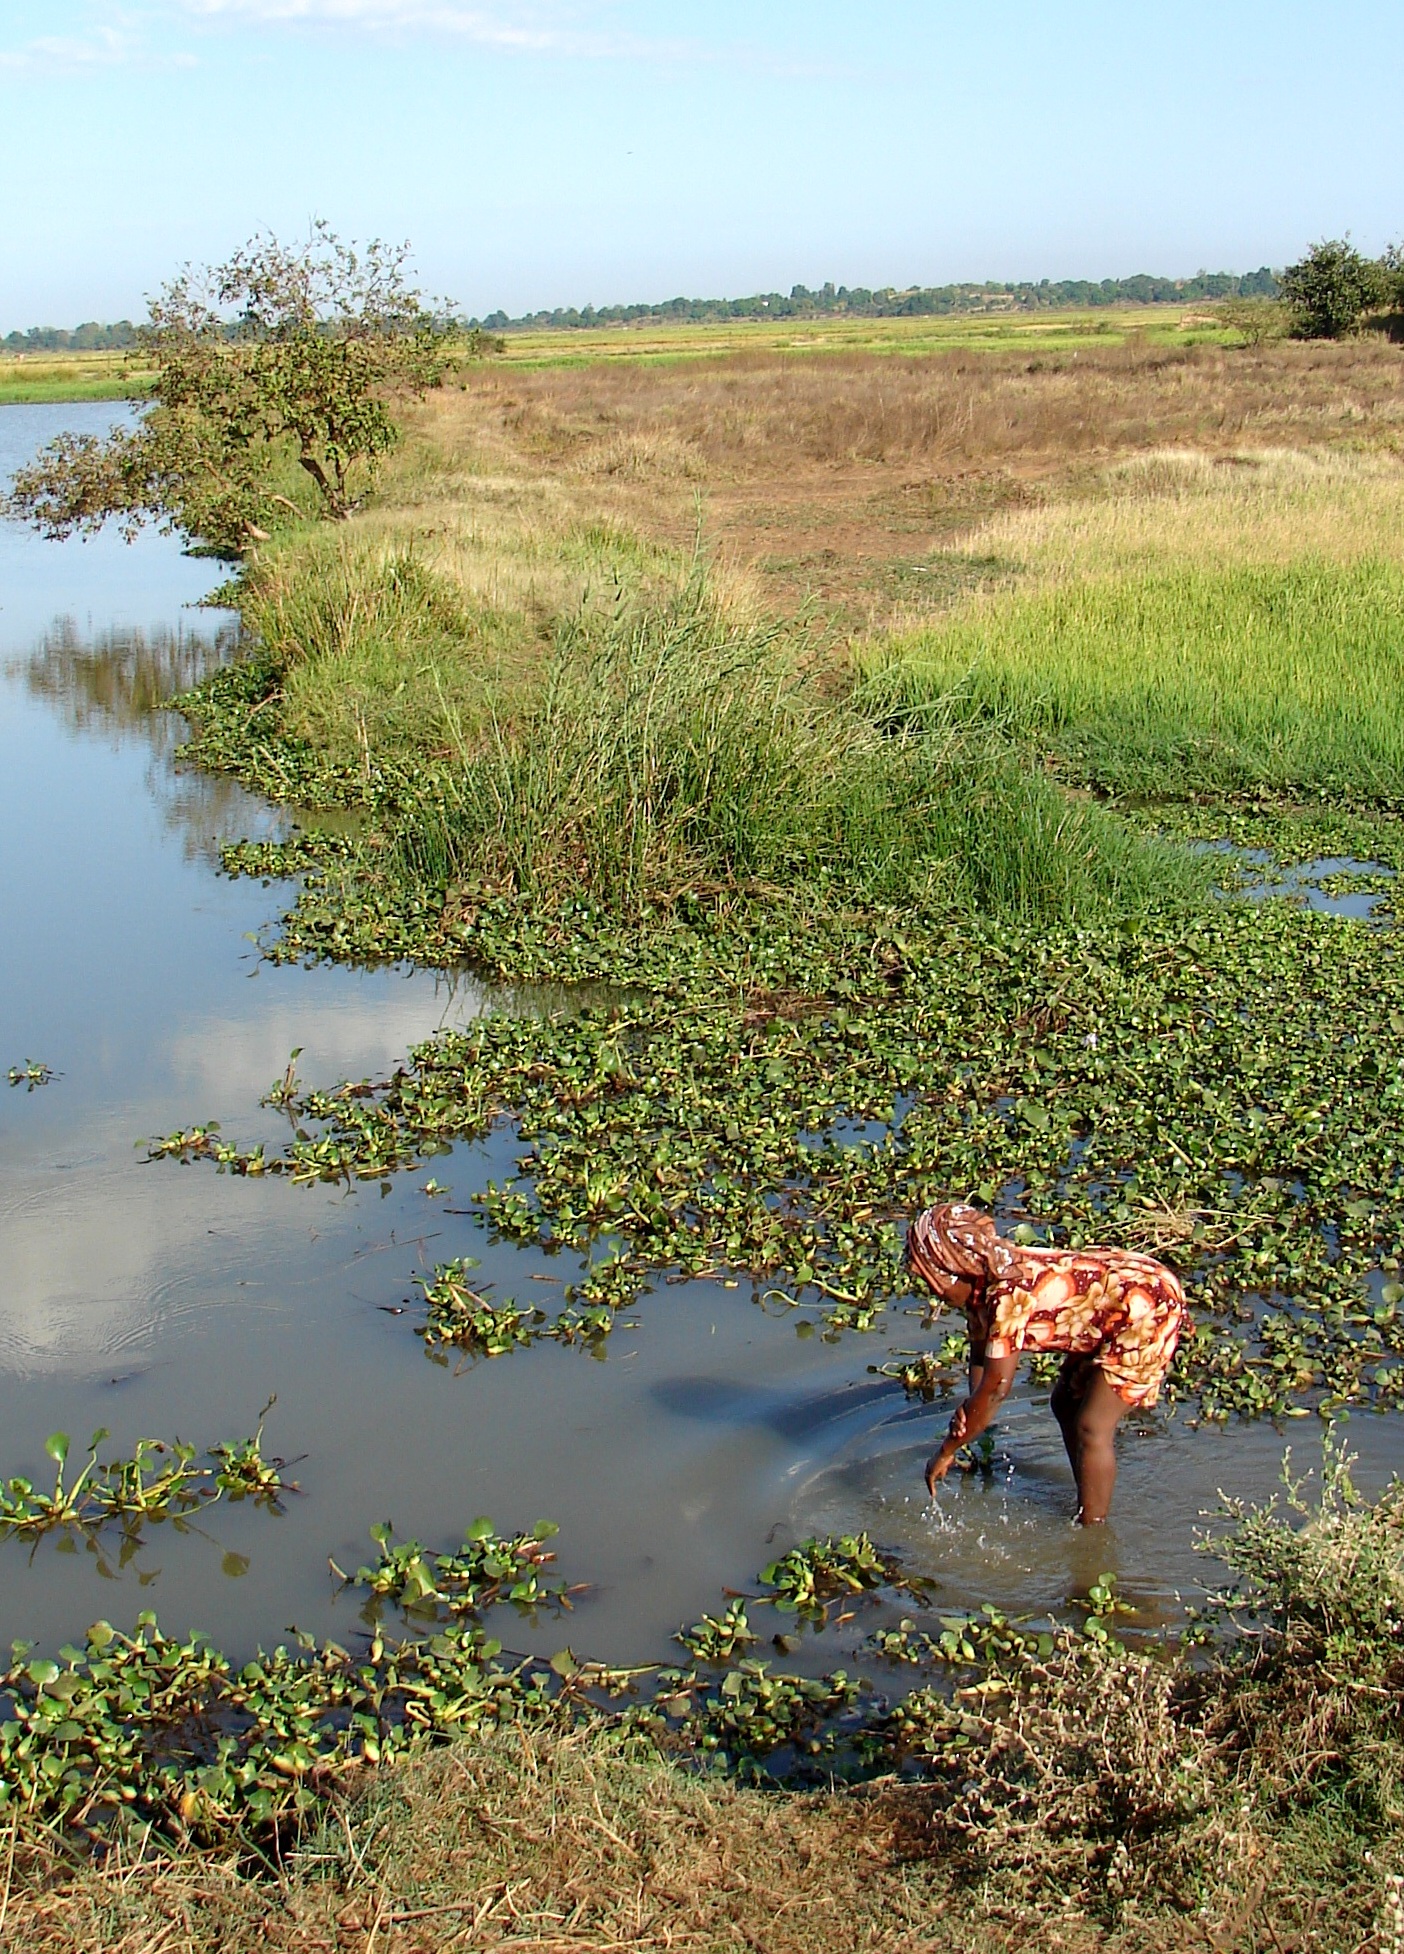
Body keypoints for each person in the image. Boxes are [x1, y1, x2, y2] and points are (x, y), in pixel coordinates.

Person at [905, 1203, 1188, 1525]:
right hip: (1116, 1297)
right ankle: (1086, 1499)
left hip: (1147, 1304)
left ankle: (1092, 1532)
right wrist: (971, 1423)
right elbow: (982, 1363)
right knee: (1065, 1404)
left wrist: (946, 1450)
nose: (933, 1292)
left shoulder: (1007, 1294)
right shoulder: (983, 1286)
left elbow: (997, 1388)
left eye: (934, 1281)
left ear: (960, 1270)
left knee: (1092, 1425)